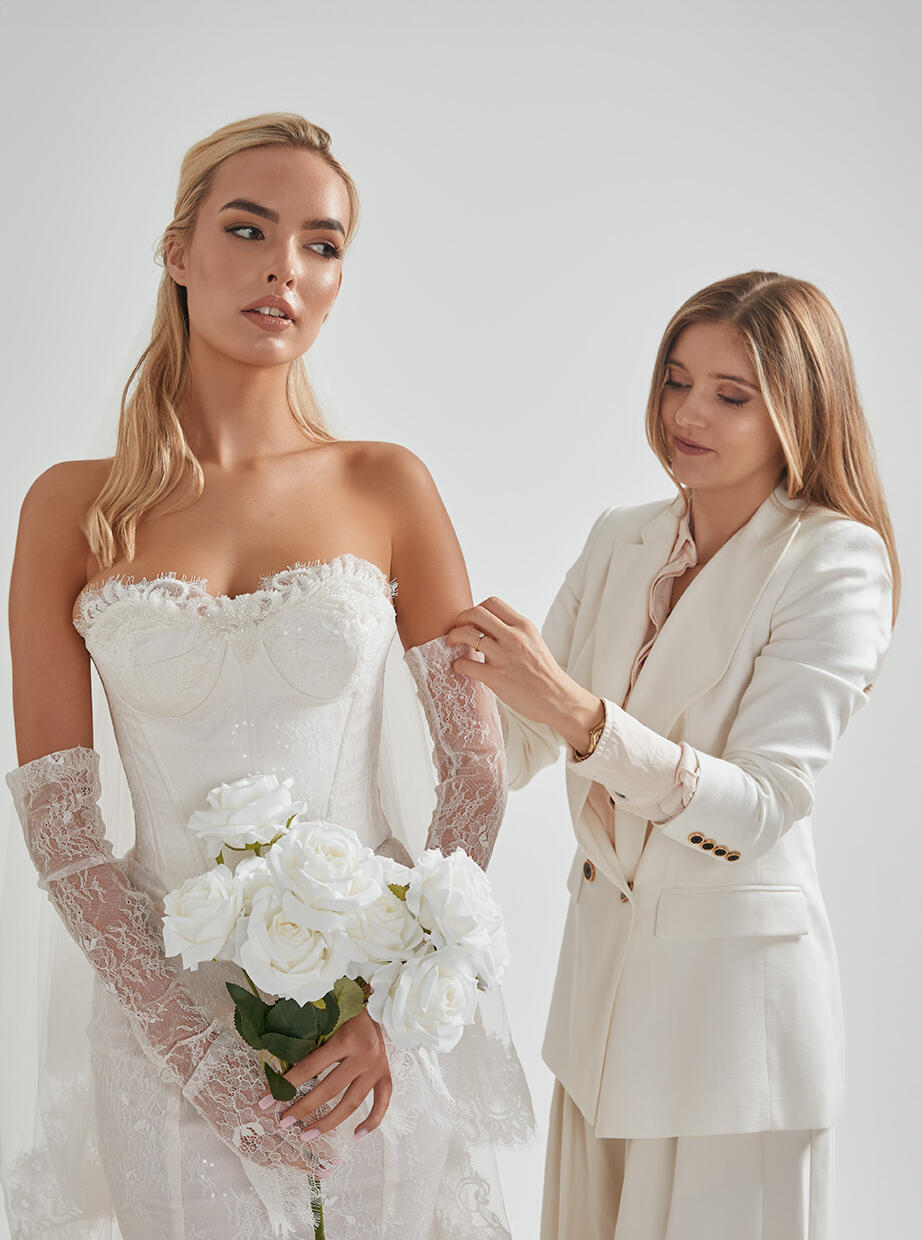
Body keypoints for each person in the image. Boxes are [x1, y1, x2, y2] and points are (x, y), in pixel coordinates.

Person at [2, 112, 532, 1240]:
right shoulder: (69, 508)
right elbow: (58, 816)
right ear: (178, 250)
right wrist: (190, 1049)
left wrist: (395, 1010)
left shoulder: (387, 485)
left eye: (321, 243)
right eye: (248, 229)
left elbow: (475, 773)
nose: (284, 267)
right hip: (159, 1022)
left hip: (364, 1024)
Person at [447, 271, 900, 1240]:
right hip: (600, 1009)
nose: (687, 413)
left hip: (733, 1032)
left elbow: (761, 805)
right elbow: (516, 737)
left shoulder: (835, 558)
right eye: (674, 380)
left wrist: (579, 717)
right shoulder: (622, 539)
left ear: (799, 409)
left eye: (731, 395)